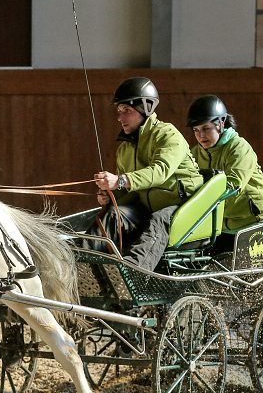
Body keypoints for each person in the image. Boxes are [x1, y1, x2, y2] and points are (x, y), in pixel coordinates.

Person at [85, 77, 203, 271]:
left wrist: (120, 181)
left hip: (183, 205)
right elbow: (129, 192)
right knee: (115, 215)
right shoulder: (124, 149)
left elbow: (160, 171)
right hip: (147, 207)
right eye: (119, 111)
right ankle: (81, 263)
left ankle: (133, 272)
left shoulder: (168, 135)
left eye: (126, 111)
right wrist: (112, 195)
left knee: (159, 220)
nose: (120, 118)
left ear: (145, 109)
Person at [186, 95, 263, 231]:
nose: (200, 136)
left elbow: (233, 185)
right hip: (224, 227)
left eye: (206, 128)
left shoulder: (239, 147)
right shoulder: (195, 154)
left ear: (221, 125)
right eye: (196, 130)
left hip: (258, 221)